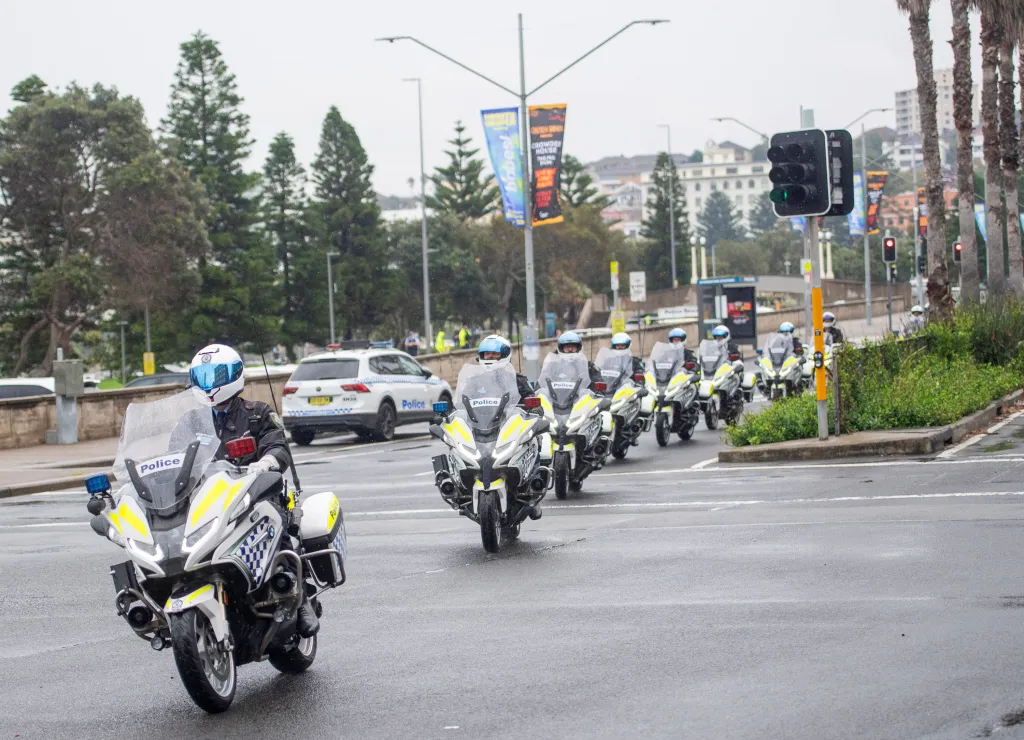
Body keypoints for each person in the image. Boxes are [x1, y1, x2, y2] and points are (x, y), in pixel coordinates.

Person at [187, 344, 319, 639]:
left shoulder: (258, 414)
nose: (209, 383)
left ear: (233, 376)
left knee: (273, 520)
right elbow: (174, 459)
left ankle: (300, 600)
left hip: (253, 495)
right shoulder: (190, 422)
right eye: (203, 376)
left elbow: (278, 446)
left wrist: (266, 463)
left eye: (216, 375)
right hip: (208, 503)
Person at [477, 334, 534, 400]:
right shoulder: (475, 382)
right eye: (487, 353)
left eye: (494, 353)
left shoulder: (518, 381)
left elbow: (534, 407)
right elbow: (462, 404)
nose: (490, 356)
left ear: (504, 354)